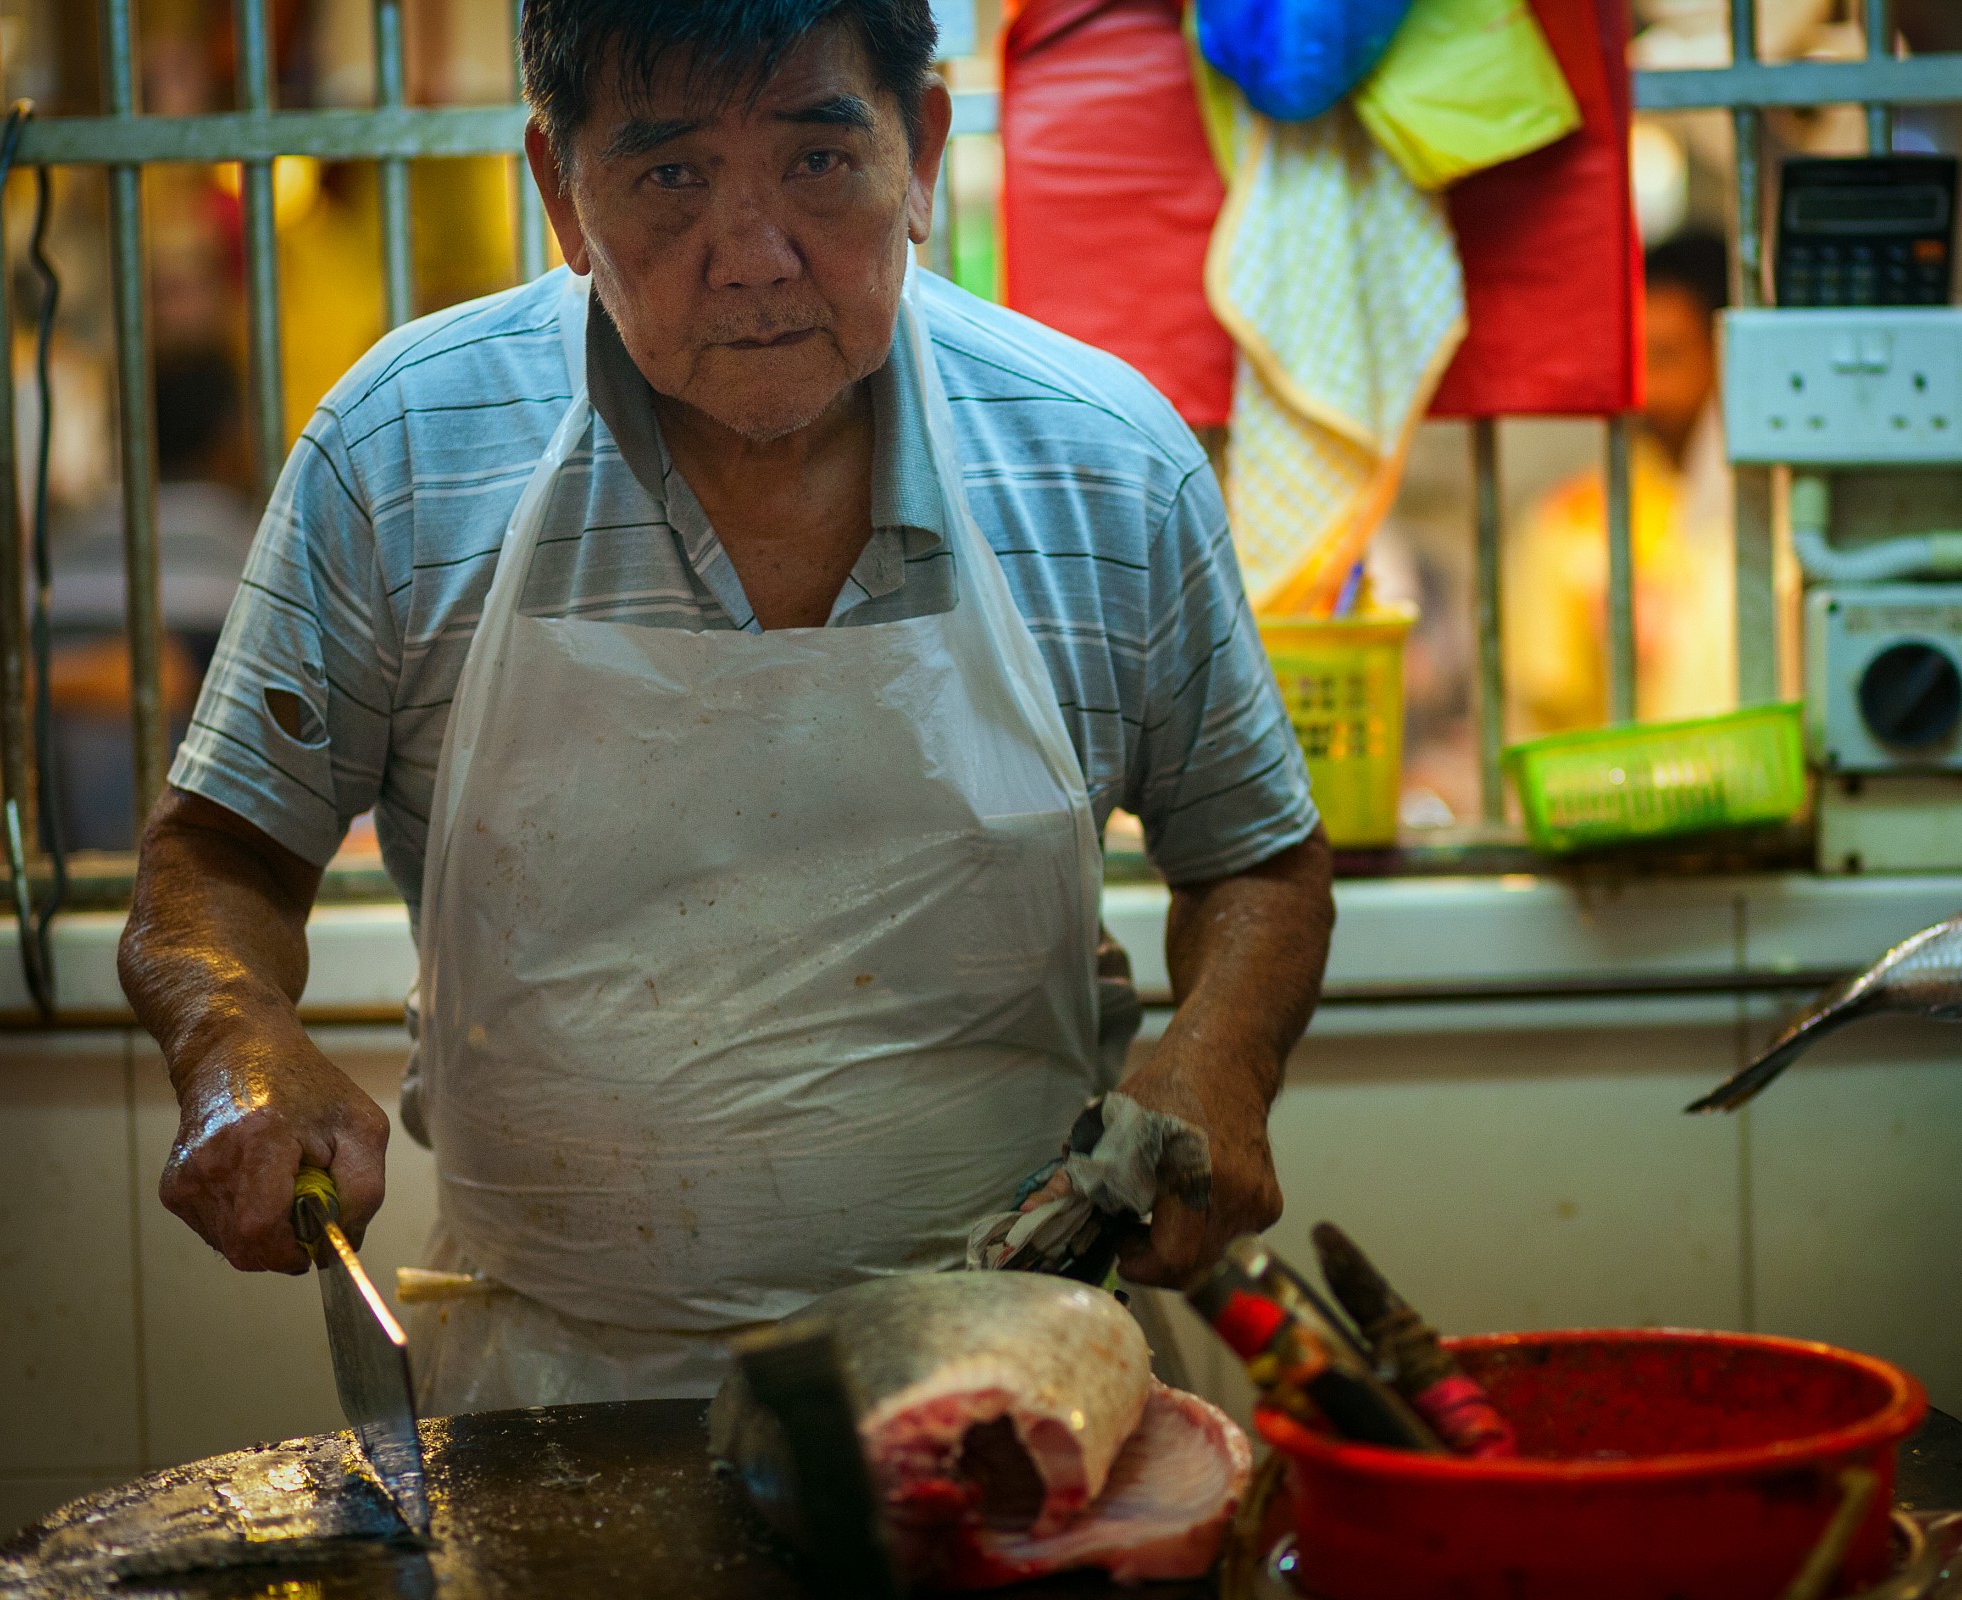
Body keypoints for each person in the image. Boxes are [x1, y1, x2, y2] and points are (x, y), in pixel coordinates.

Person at [118, 0, 1333, 1412]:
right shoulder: (403, 450)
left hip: (1024, 1377)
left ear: (922, 151)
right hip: (547, 1395)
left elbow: (1257, 857)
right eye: (670, 176)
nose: (755, 260)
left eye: (821, 163)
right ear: (561, 195)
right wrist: (236, 1045)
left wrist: (1219, 1062)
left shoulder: (1105, 464)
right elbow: (216, 862)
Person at [1504, 229, 1737, 734]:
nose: (1648, 393)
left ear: (1730, 358)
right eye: (1636, 364)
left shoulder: (1787, 518)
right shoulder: (1571, 524)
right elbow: (1546, 700)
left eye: (1670, 358)